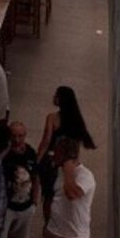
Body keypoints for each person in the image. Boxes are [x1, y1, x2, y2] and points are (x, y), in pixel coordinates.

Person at [37, 87, 96, 221]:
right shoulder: (77, 121)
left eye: (56, 96)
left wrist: (38, 159)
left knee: (48, 195)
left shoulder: (52, 117)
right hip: (69, 163)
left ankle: (48, 223)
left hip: (52, 161)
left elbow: (46, 141)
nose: (53, 97)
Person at [0, 122, 40, 238]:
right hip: (6, 207)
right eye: (13, 136)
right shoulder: (4, 156)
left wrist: (35, 201)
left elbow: (36, 176)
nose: (17, 139)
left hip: (25, 206)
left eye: (20, 136)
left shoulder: (30, 153)